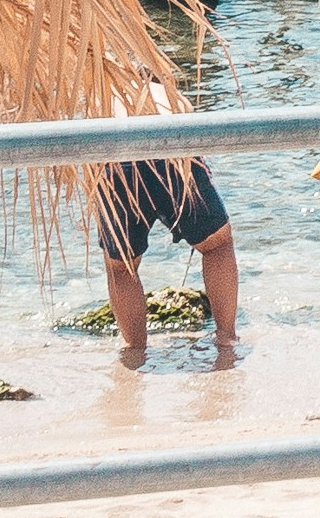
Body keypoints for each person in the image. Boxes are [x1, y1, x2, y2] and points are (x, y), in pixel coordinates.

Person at [94, 156, 238, 368]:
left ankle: (136, 350)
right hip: (171, 150)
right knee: (216, 245)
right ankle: (226, 339)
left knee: (122, 268)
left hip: (115, 160)